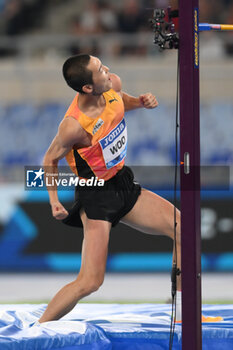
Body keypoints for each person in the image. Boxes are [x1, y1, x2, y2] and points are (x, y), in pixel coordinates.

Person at [39, 54, 220, 324]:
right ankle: (40, 328)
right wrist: (53, 199)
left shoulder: (111, 85)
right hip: (96, 195)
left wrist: (141, 103)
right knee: (90, 282)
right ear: (87, 87)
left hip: (122, 182)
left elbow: (120, 102)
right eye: (100, 70)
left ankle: (183, 313)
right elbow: (50, 159)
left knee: (183, 229)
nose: (108, 70)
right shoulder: (73, 126)